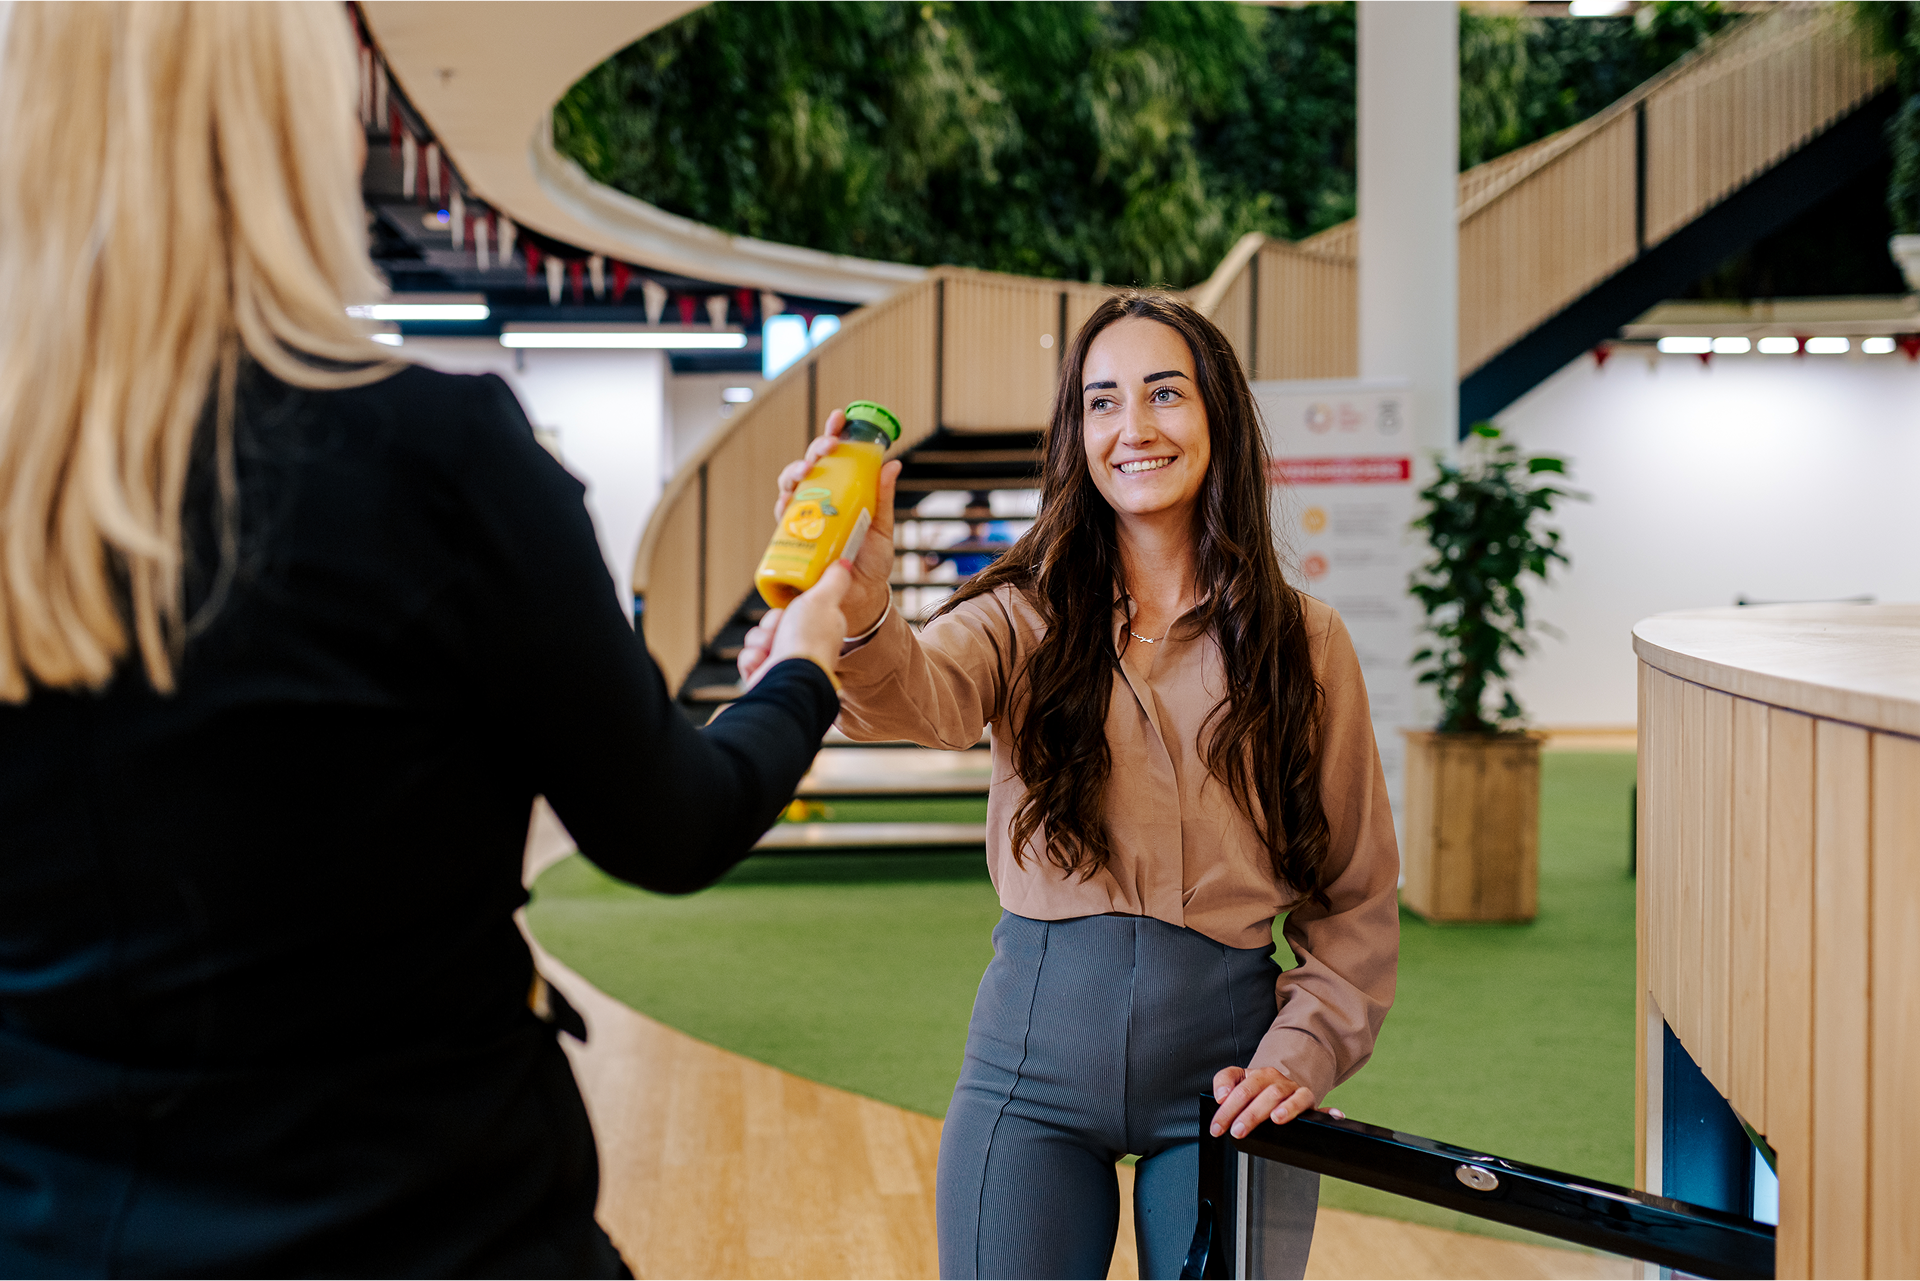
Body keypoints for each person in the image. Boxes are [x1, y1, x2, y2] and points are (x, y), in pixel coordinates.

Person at [0, 3, 849, 1277]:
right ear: (290, 120)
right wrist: (805, 667)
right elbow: (670, 827)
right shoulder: (436, 458)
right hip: (442, 1228)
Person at [740, 291, 1401, 1281]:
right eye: (1101, 402)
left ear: (1218, 413)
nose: (1132, 428)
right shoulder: (1022, 613)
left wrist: (1301, 1052)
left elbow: (1355, 896)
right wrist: (866, 605)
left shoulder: (1304, 643)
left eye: (1163, 394)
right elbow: (915, 700)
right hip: (1027, 1077)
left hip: (1228, 1078)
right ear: (1077, 432)